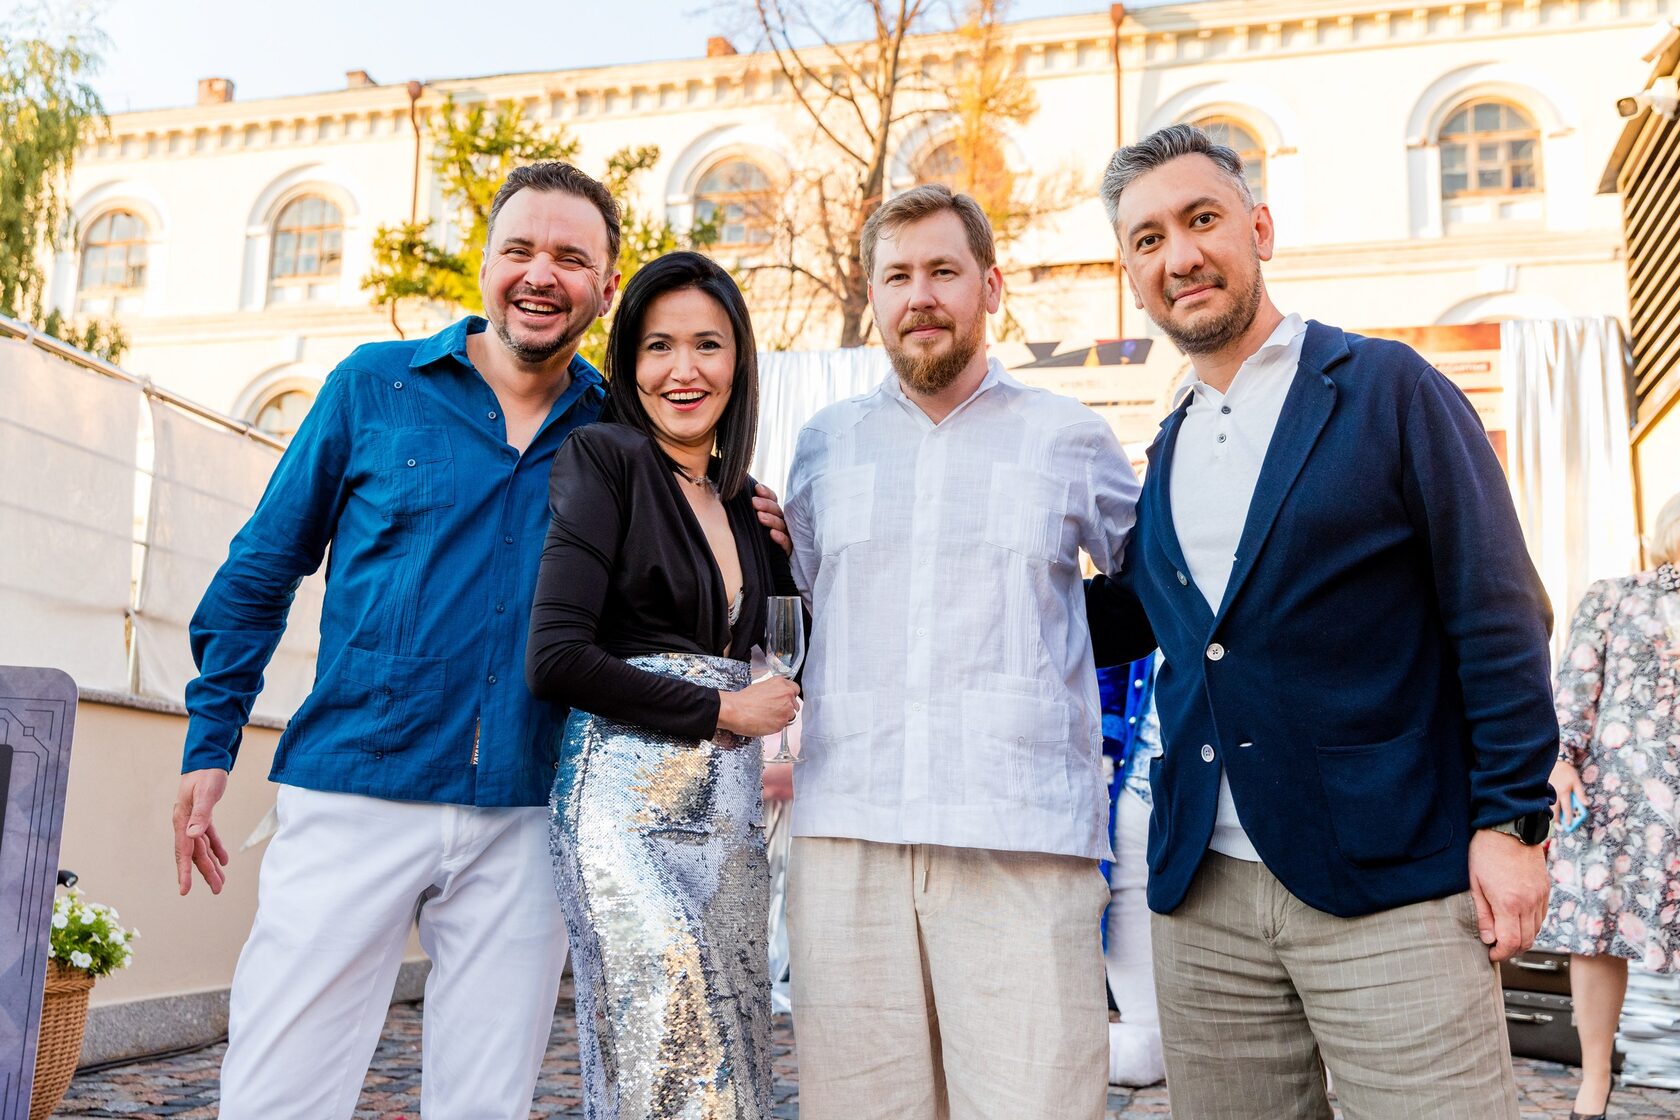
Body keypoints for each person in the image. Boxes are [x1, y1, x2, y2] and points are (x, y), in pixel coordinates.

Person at [172, 166, 785, 1119]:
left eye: (571, 258)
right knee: (278, 1092)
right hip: (355, 788)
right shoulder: (372, 386)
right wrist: (211, 741)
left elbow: (689, 586)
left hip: (529, 808)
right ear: (487, 263)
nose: (541, 275)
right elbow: (261, 568)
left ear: (605, 287)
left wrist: (754, 521)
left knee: (485, 1103)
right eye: (521, 250)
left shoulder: (620, 433)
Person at [1086, 123, 1558, 1119]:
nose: (1180, 255)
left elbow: (1498, 610)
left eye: (1202, 219)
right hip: (1203, 895)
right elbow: (1136, 620)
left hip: (1392, 882)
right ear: (1132, 274)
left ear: (1259, 229)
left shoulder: (1389, 389)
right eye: (1148, 239)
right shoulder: (1168, 447)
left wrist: (1513, 824)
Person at [782, 184, 1141, 1120]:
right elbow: (810, 609)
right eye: (897, 276)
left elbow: (1152, 594)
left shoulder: (1068, 437)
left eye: (944, 271)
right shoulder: (825, 446)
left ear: (991, 286)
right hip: (849, 830)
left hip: (1019, 832)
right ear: (872, 295)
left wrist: (1044, 652)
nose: (921, 297)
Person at [525, 251, 799, 1120]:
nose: (684, 370)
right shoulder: (603, 458)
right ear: (629, 363)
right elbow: (555, 657)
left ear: (738, 361)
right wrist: (722, 708)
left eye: (707, 345)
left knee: (736, 1062)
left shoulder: (746, 501)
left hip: (729, 820)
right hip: (624, 812)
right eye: (658, 347)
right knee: (672, 1062)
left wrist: (790, 555)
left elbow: (794, 646)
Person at [1541, 490, 1680, 1120]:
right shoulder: (1613, 596)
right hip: (1616, 800)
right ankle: (1594, 1081)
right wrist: (1561, 760)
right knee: (1596, 935)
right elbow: (1573, 689)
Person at [1097, 654, 1165, 1088]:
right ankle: (1146, 1024)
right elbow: (1111, 665)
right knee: (1121, 888)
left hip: (1219, 782)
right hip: (1137, 776)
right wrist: (1105, 743)